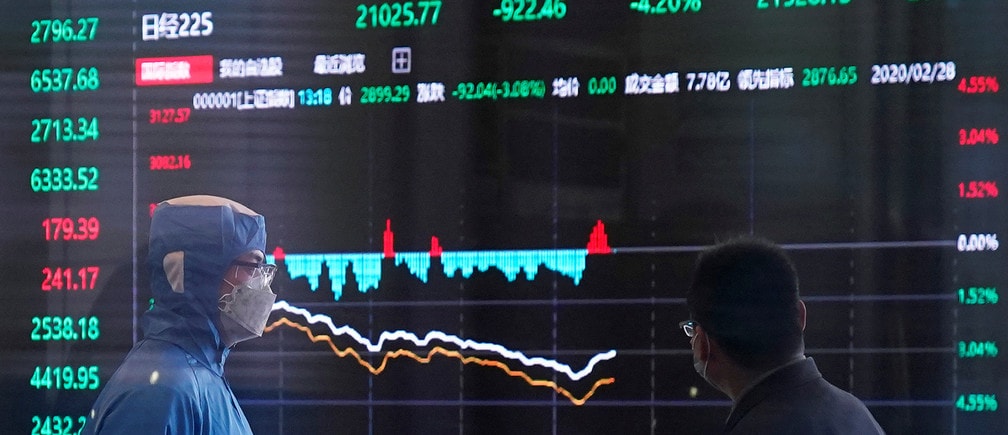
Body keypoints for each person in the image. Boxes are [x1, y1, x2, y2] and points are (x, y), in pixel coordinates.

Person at [81, 195, 278, 434]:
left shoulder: (200, 375)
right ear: (198, 272)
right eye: (253, 267)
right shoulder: (160, 392)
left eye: (264, 270)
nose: (263, 287)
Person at [682, 236, 884, 434]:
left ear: (703, 345)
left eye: (692, 331)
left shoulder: (754, 428)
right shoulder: (857, 415)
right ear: (801, 316)